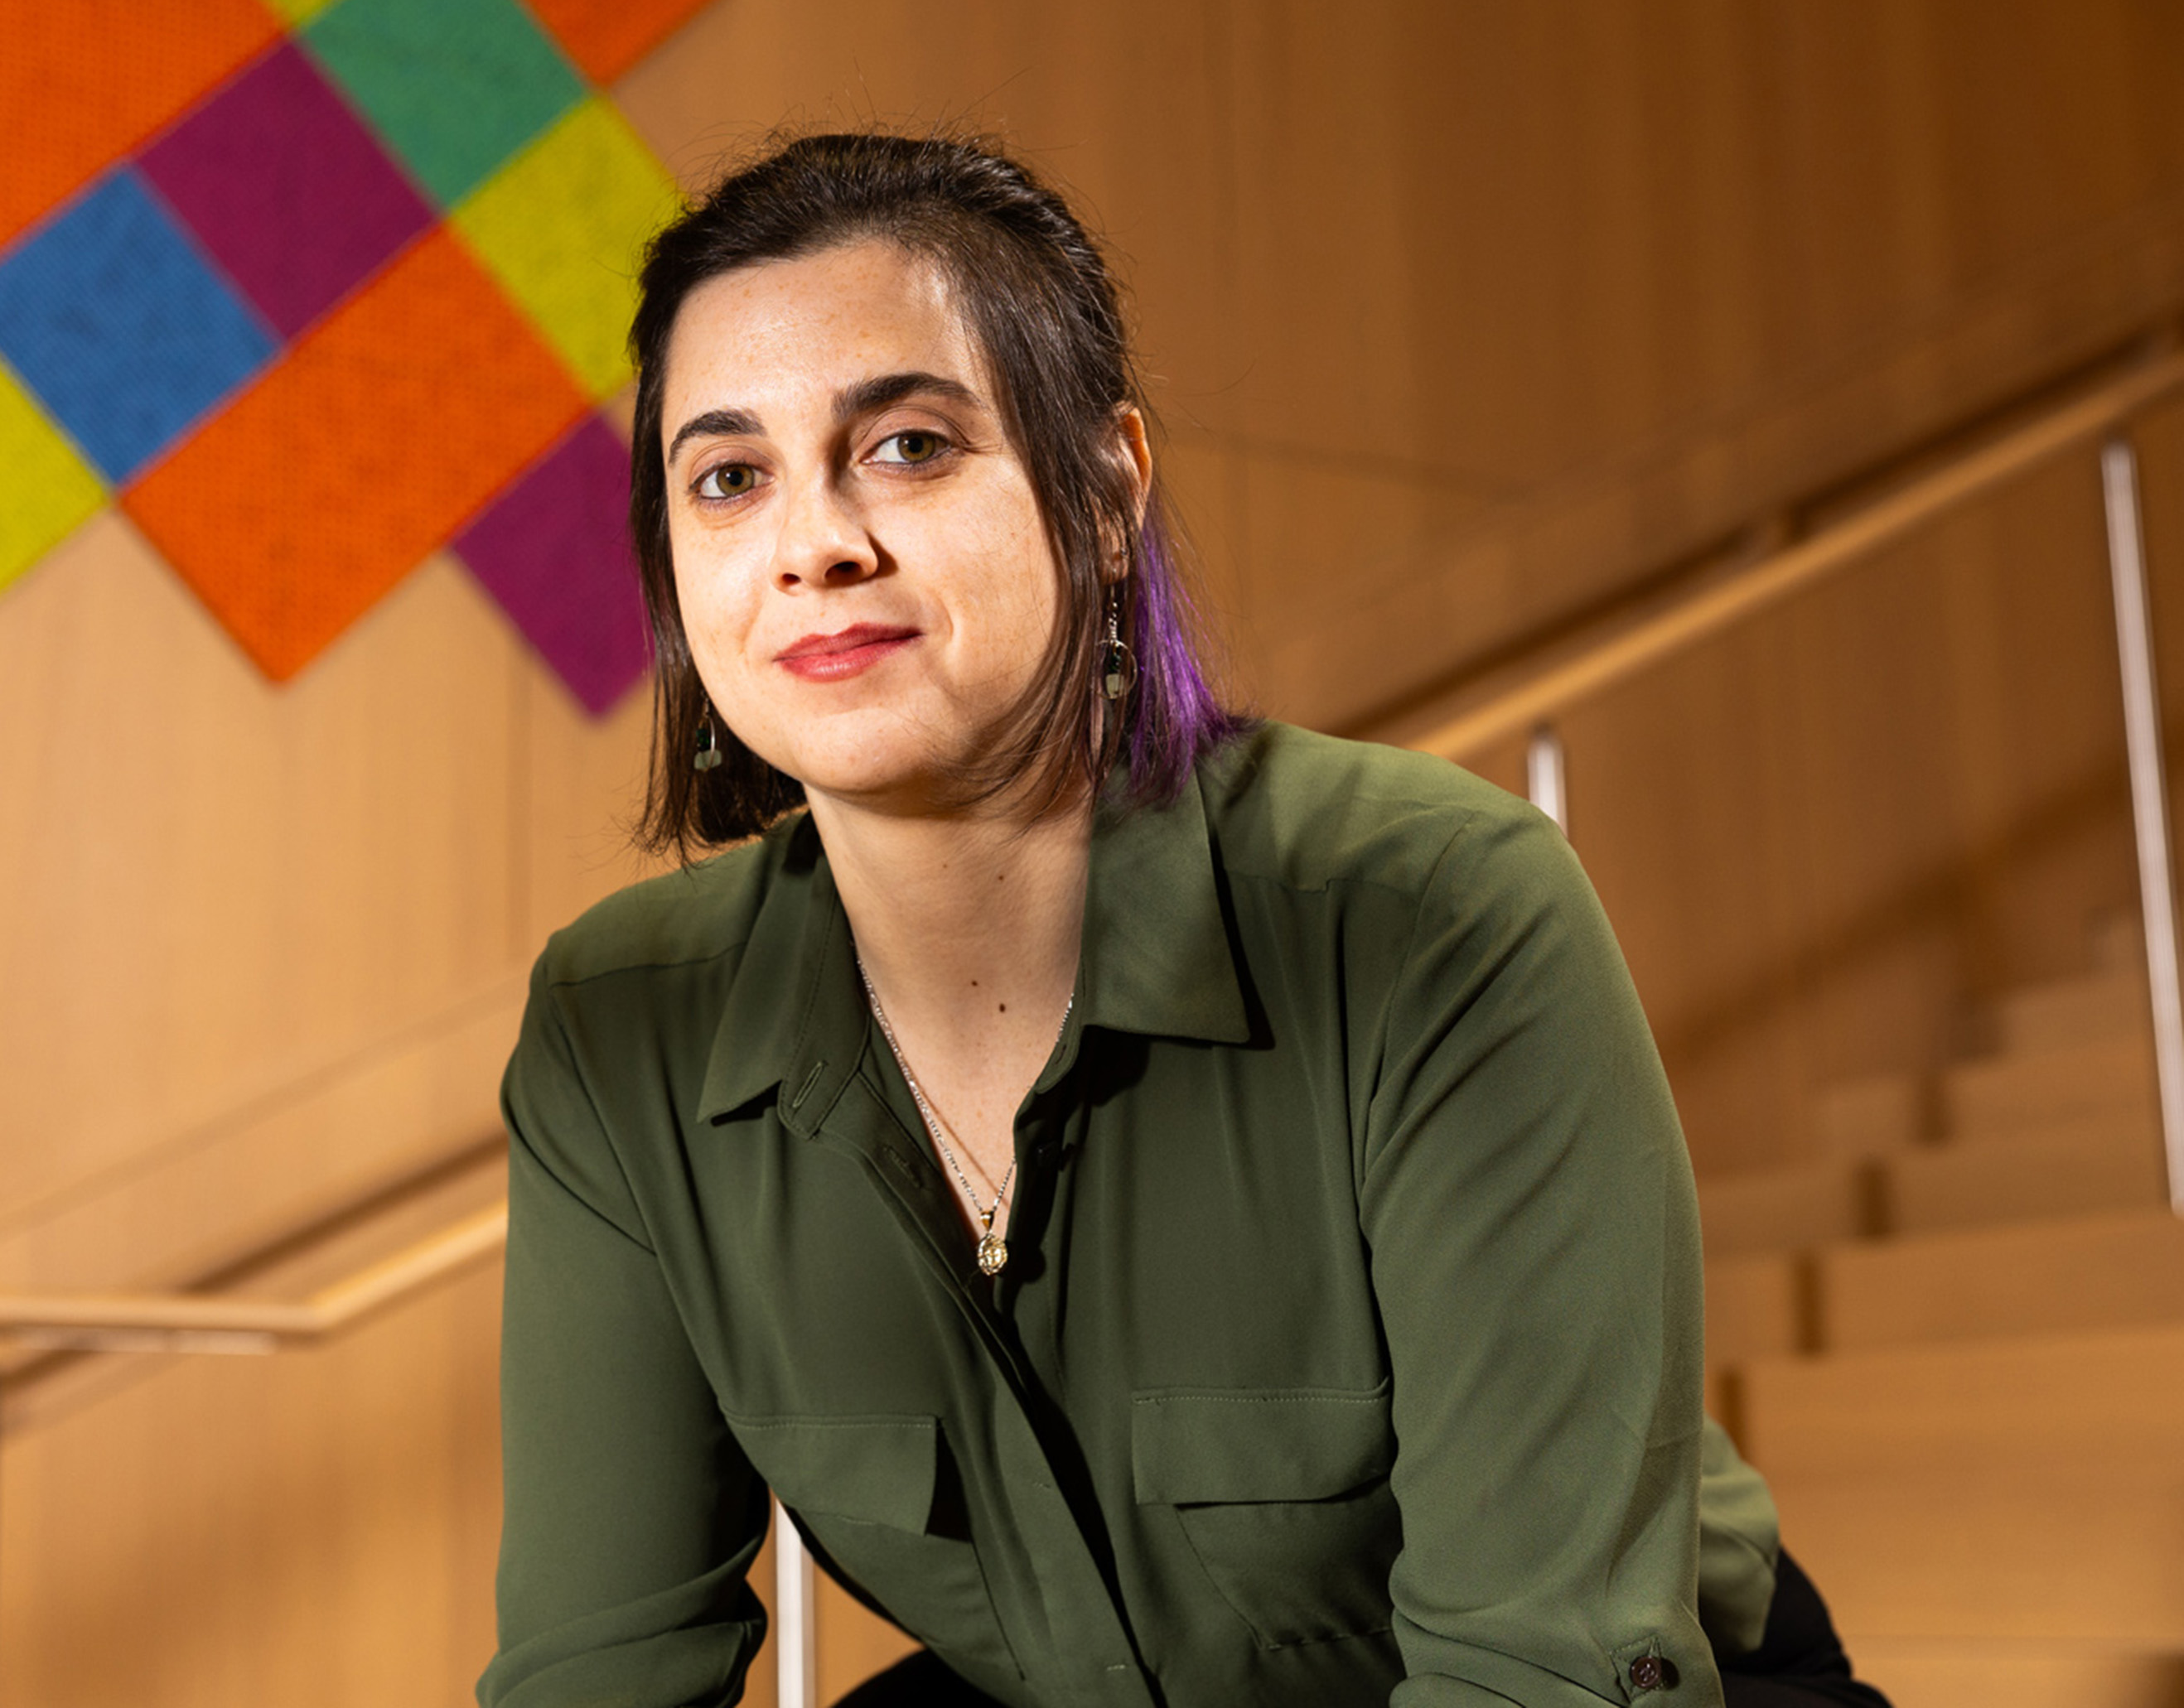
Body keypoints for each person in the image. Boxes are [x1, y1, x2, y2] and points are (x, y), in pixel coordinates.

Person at [477, 133, 1888, 1708]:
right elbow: (593, 1676)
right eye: (728, 477)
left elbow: (1538, 1674)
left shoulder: (1433, 910)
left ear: (1103, 491)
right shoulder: (619, 1030)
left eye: (910, 446)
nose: (814, 545)